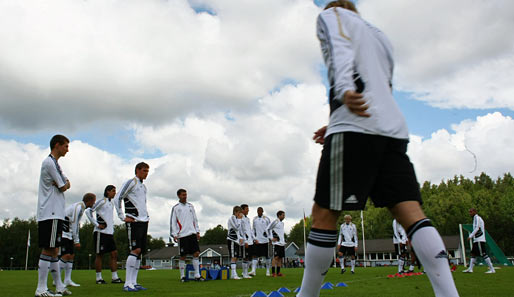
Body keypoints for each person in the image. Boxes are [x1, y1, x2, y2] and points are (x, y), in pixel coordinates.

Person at [297, 2, 459, 296]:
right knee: (410, 211)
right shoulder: (379, 36)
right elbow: (382, 85)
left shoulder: (332, 15)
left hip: (354, 126)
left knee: (324, 213)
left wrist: (345, 91)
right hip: (391, 129)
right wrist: (333, 120)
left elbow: (339, 49)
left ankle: (306, 294)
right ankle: (449, 293)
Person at [35, 134, 72, 297]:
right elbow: (64, 185)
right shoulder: (49, 162)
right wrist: (64, 184)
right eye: (66, 146)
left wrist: (63, 183)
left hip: (56, 212)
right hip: (49, 212)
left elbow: (63, 183)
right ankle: (41, 288)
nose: (67, 150)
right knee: (49, 249)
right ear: (57, 145)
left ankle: (58, 286)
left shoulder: (56, 163)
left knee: (55, 250)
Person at [114, 162, 150, 292]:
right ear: (138, 170)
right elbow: (117, 197)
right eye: (144, 170)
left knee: (140, 252)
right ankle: (127, 283)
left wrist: (146, 218)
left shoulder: (143, 187)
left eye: (147, 171)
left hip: (143, 221)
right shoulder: (131, 182)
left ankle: (134, 282)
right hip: (133, 221)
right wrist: (122, 216)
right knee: (134, 250)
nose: (146, 173)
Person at [85, 185, 123, 284]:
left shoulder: (112, 203)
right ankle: (99, 278)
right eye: (113, 191)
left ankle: (115, 277)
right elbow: (89, 211)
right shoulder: (102, 201)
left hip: (110, 233)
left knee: (114, 254)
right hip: (100, 233)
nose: (115, 193)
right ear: (107, 192)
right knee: (100, 255)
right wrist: (97, 224)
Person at [59, 193, 96, 287]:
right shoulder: (78, 207)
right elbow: (74, 223)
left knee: (71, 256)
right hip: (64, 233)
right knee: (65, 255)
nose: (94, 203)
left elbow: (76, 224)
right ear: (89, 201)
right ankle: (57, 280)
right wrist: (76, 240)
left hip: (69, 234)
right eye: (94, 201)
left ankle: (67, 279)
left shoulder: (82, 208)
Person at [170, 188, 203, 282]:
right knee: (183, 256)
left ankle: (197, 275)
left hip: (192, 233)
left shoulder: (190, 206)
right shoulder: (176, 208)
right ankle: (182, 276)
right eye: (183, 195)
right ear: (179, 196)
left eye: (186, 195)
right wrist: (174, 234)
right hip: (182, 235)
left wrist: (197, 231)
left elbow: (195, 219)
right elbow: (173, 221)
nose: (185, 196)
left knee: (196, 253)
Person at [463, 208, 495, 274]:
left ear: (475, 212)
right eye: (469, 212)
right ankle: (470, 269)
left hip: (480, 240)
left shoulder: (477, 218)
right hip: (476, 240)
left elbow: (477, 228)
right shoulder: (475, 218)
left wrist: (470, 236)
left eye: (471, 212)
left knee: (483, 254)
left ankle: (492, 269)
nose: (470, 213)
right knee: (473, 254)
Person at [251, 207, 272, 276]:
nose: (259, 212)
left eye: (260, 210)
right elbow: (253, 230)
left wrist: (270, 238)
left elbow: (270, 229)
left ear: (262, 211)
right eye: (258, 210)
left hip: (265, 241)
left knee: (267, 256)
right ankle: (253, 270)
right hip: (257, 241)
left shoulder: (266, 219)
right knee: (255, 255)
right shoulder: (255, 219)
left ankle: (268, 271)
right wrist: (254, 238)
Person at [227, 206, 244, 280]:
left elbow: (238, 231)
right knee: (233, 257)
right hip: (232, 240)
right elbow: (236, 227)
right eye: (239, 213)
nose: (240, 215)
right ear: (236, 212)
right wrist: (240, 220)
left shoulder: (236, 219)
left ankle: (233, 274)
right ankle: (234, 275)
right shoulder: (232, 218)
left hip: (236, 240)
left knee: (236, 257)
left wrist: (240, 238)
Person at [267, 211, 286, 277]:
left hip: (282, 243)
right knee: (275, 257)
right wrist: (271, 238)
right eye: (283, 215)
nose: (284, 216)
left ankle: (278, 272)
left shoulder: (282, 223)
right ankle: (273, 273)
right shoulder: (275, 222)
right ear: (279, 215)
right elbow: (268, 229)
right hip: (276, 243)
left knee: (280, 258)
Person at [240, 204, 254, 279]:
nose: (248, 210)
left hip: (250, 240)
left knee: (249, 257)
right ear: (242, 210)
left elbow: (250, 230)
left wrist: (253, 238)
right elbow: (242, 230)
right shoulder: (241, 218)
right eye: (246, 209)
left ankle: (245, 273)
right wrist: (245, 241)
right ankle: (244, 273)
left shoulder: (247, 219)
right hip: (245, 241)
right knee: (245, 257)